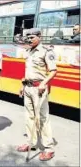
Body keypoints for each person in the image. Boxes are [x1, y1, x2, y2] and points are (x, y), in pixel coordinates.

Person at [17, 28, 57, 161]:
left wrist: (43, 83)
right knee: (29, 116)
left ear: (39, 36)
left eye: (32, 37)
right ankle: (32, 143)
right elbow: (29, 71)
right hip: (28, 87)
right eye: (28, 38)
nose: (29, 40)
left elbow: (53, 71)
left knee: (42, 118)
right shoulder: (28, 51)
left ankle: (49, 148)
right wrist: (23, 85)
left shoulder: (46, 51)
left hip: (39, 89)